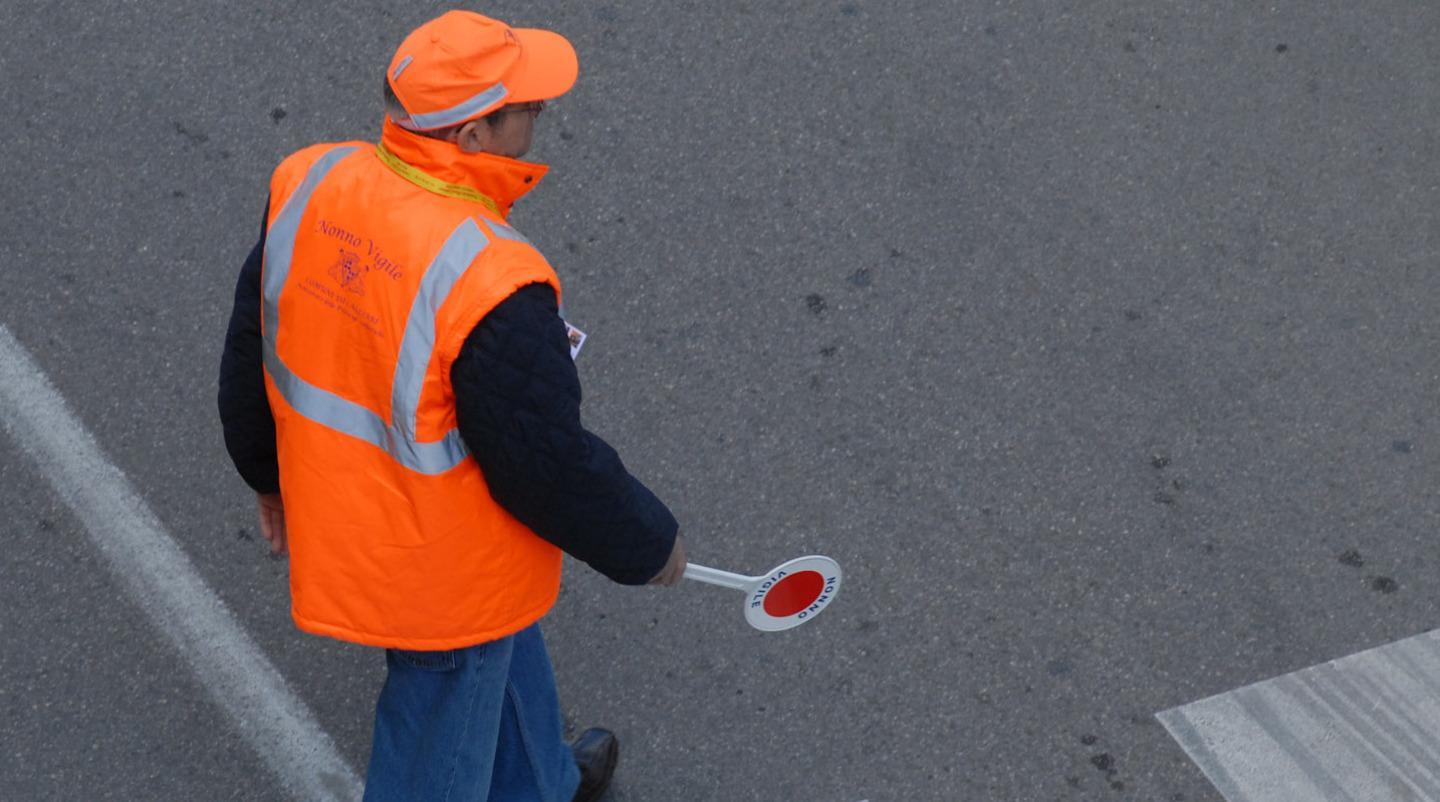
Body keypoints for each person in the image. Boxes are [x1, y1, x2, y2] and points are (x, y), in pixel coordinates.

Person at [217, 10, 686, 802]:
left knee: (499, 649)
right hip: (441, 570)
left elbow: (251, 343)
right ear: (473, 135)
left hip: (359, 519)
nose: (541, 117)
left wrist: (267, 475)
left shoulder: (309, 180)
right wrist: (649, 546)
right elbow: (546, 464)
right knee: (437, 737)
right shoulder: (493, 281)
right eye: (529, 108)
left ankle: (545, 781)